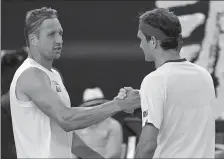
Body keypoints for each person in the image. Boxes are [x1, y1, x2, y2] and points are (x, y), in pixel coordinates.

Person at [9, 7, 140, 158]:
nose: (59, 40)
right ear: (33, 39)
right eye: (51, 34)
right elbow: (66, 119)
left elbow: (72, 141)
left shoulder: (54, 75)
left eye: (60, 33)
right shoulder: (30, 74)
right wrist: (118, 104)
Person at [130, 8, 215, 158]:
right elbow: (180, 122)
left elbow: (148, 146)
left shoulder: (155, 80)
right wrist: (140, 107)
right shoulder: (204, 76)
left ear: (153, 42)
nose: (140, 45)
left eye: (141, 40)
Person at [74, 87, 123, 158]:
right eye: (91, 106)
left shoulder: (113, 125)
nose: (94, 109)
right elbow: (73, 153)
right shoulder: (78, 127)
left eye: (98, 105)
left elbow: (113, 154)